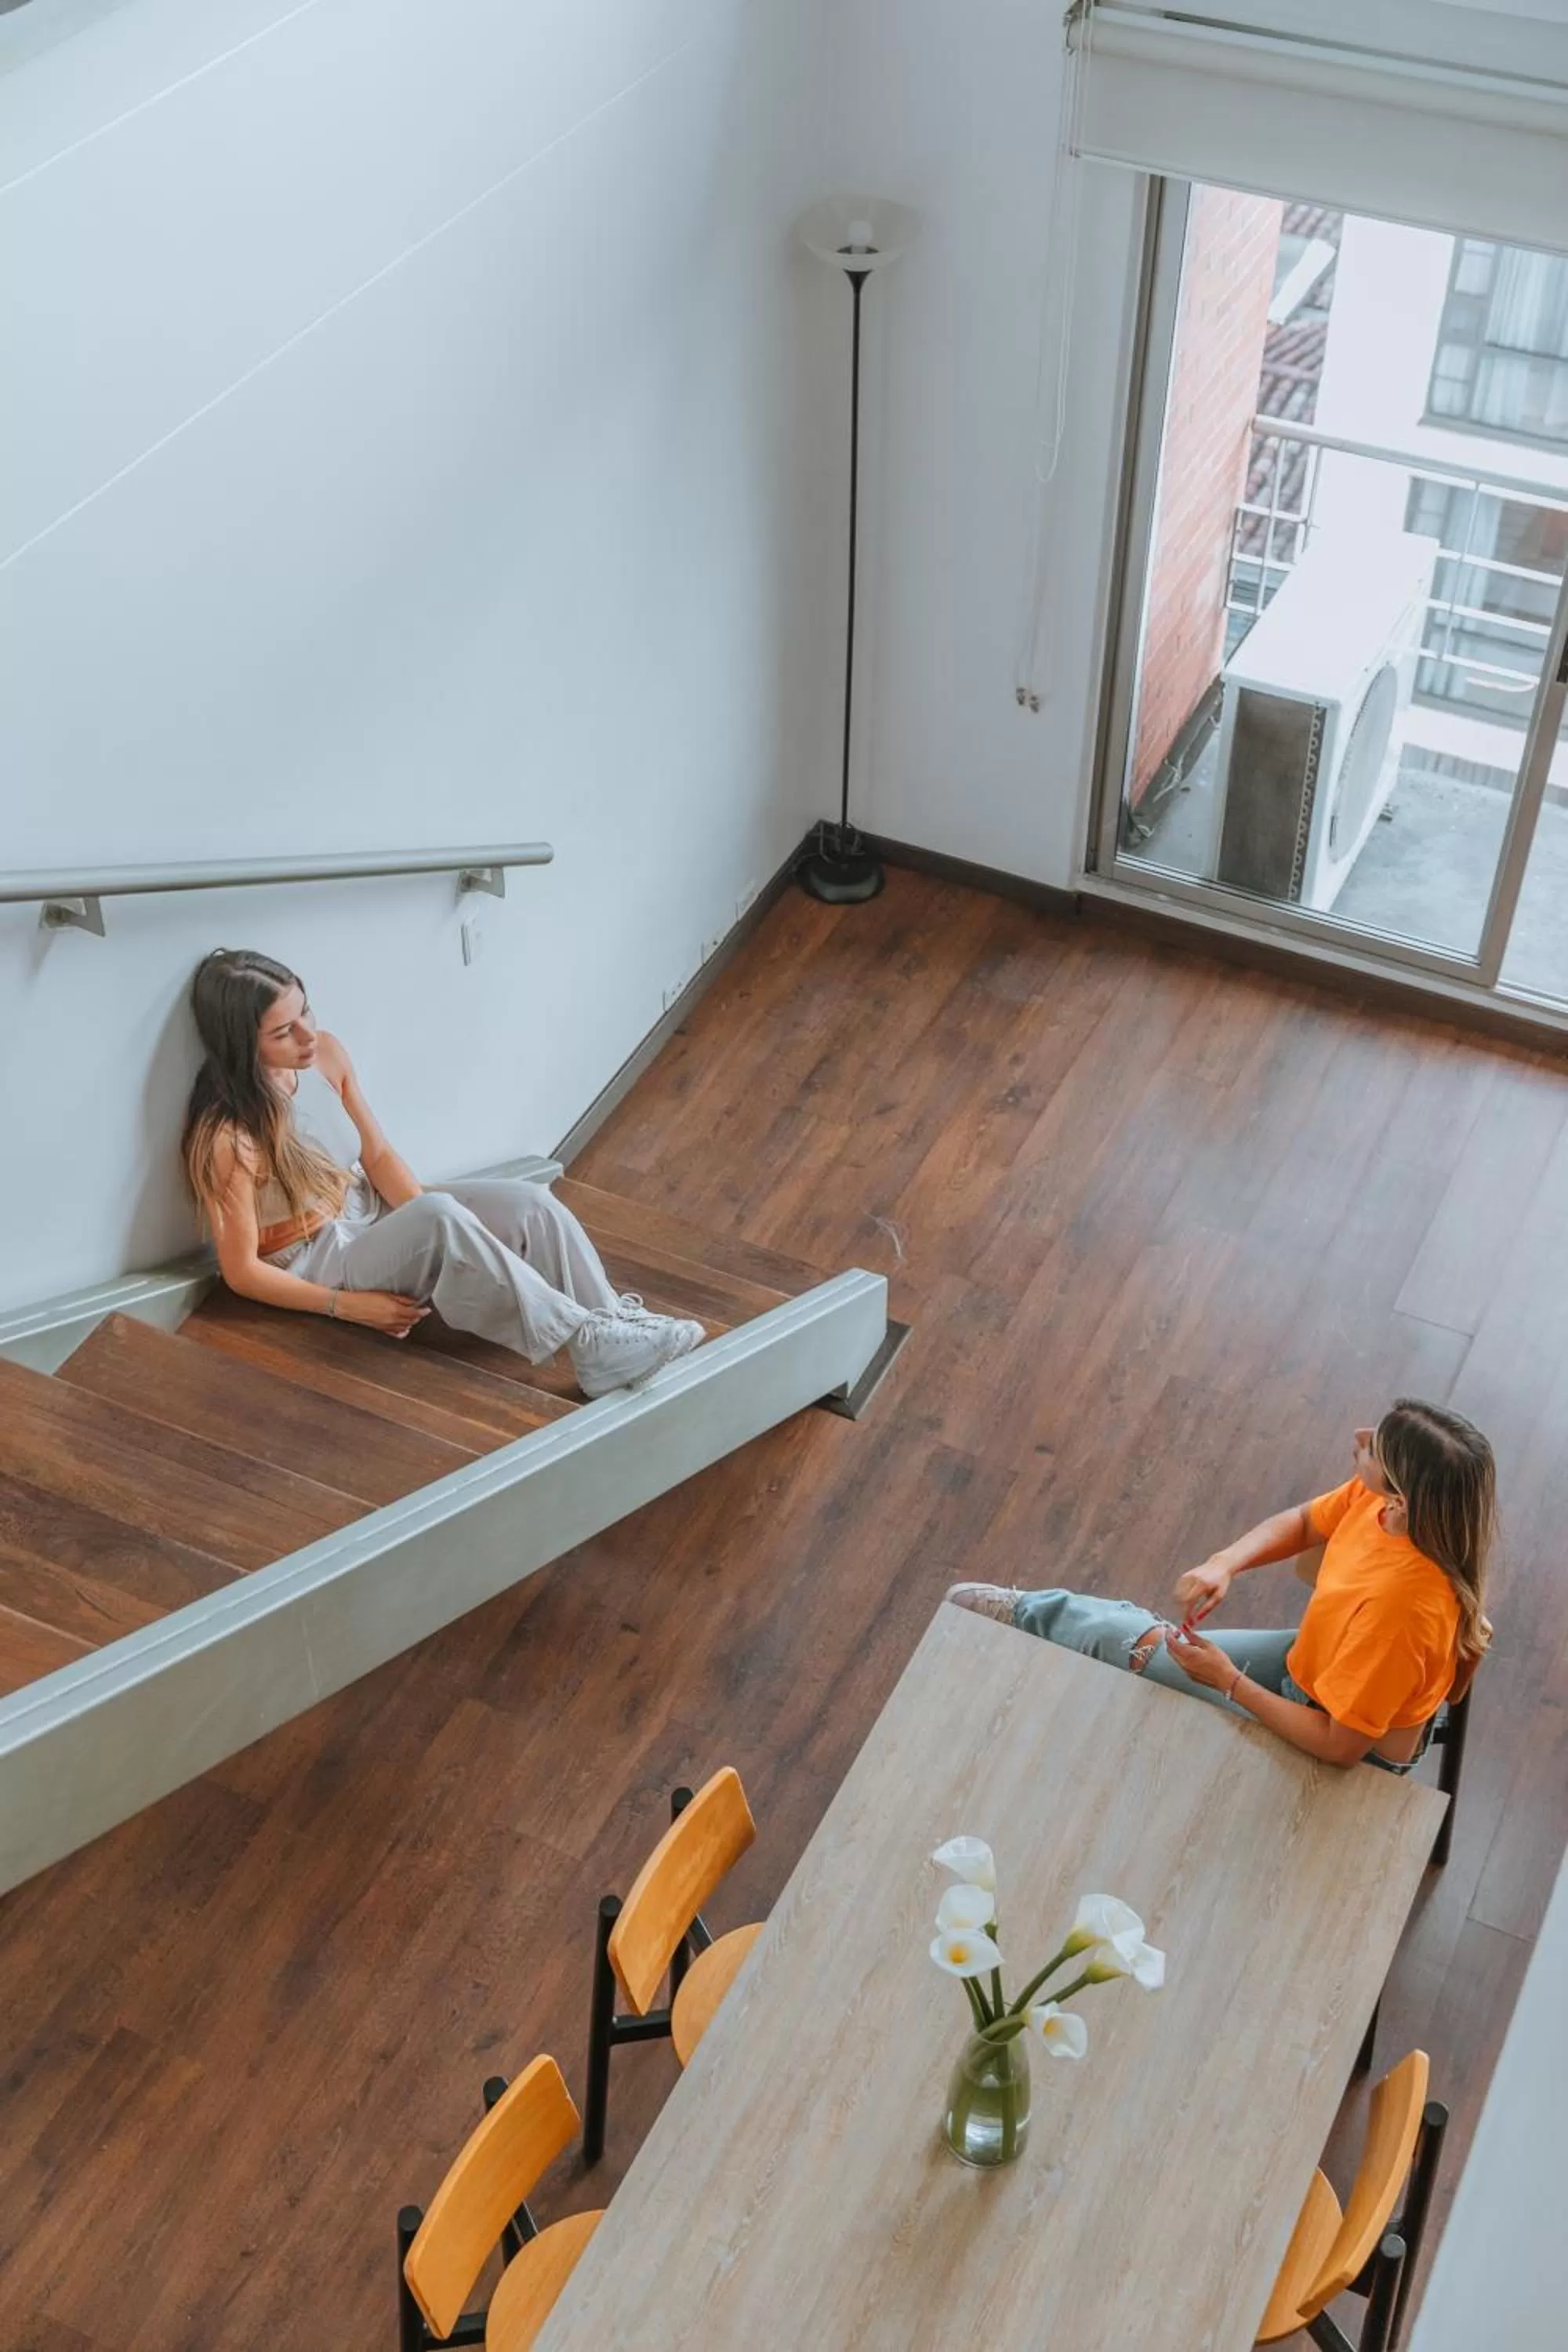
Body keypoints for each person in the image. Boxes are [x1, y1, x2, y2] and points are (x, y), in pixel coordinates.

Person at [180, 947, 704, 1399]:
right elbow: (242, 1271)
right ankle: (583, 1341)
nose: (308, 1035)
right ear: (240, 1046)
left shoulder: (326, 1056)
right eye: (283, 1032)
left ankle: (611, 1320)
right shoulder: (227, 1136)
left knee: (530, 1205)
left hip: (367, 1209)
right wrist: (348, 1306)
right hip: (317, 1258)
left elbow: (378, 1156)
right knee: (438, 1215)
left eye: (306, 1011)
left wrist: (454, 1231)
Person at [947, 1400, 1494, 1773]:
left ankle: (1030, 1616)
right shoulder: (1386, 1505)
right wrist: (1224, 1563)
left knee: (1140, 1659)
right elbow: (1306, 1523)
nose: (1358, 1438)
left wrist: (1229, 1682)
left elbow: (1342, 1746)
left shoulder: (1402, 1614)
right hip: (1317, 1664)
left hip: (1343, 1737)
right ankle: (1037, 1616)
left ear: (1403, 1498)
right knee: (1142, 1654)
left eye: (1375, 1448)